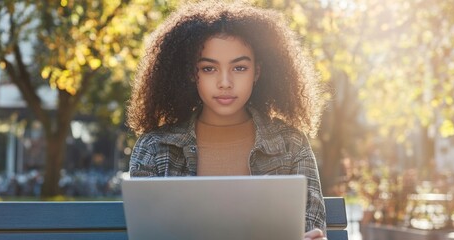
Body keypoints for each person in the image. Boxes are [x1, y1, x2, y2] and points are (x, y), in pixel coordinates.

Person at [127, 1, 327, 239]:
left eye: (239, 68)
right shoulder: (153, 148)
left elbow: (312, 229)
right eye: (209, 69)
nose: (225, 82)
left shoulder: (292, 145)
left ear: (258, 72)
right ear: (193, 73)